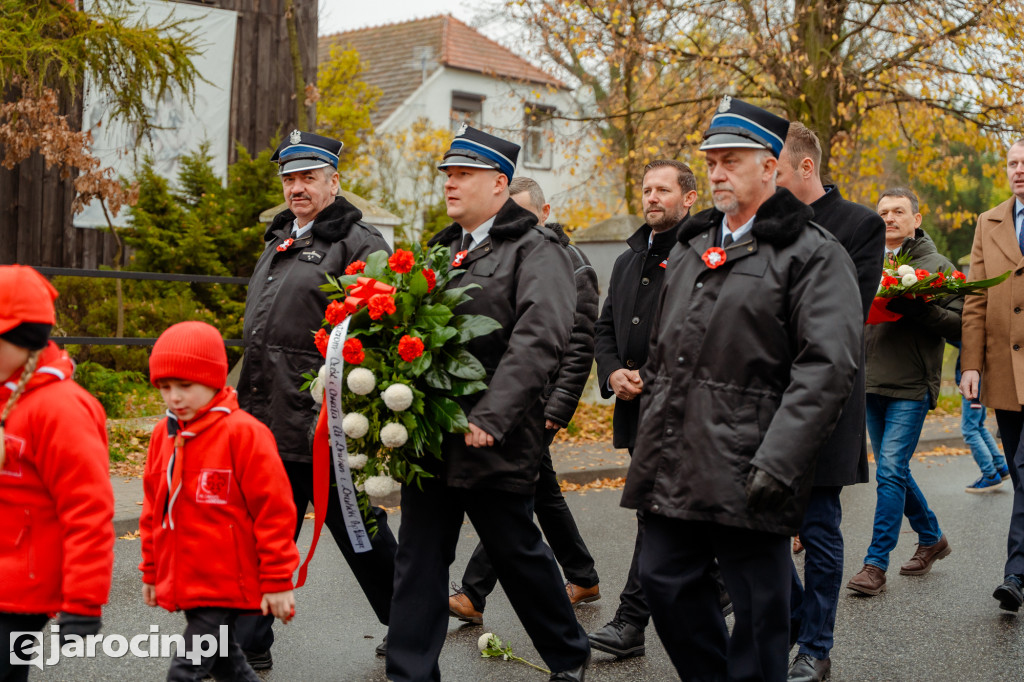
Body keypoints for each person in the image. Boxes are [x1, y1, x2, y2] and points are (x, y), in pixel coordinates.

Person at [620, 97, 862, 682]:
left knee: (759, 610)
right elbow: (665, 349)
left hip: (753, 462)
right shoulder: (690, 246)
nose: (719, 172)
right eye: (712, 162)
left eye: (733, 159)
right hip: (677, 454)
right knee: (663, 580)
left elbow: (827, 365)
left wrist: (780, 463)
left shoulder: (812, 252)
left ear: (771, 167)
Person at [386, 125, 591, 682]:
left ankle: (568, 657)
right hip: (433, 434)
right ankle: (409, 671)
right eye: (448, 175)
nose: (451, 184)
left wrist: (493, 417)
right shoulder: (441, 250)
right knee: (419, 560)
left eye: (464, 175)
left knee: (518, 554)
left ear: (499, 184)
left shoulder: (537, 249)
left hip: (494, 437)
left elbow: (541, 335)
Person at [235, 130, 396, 664]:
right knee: (264, 529)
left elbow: (377, 332)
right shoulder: (280, 238)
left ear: (334, 181)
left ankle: (410, 624)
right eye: (290, 178)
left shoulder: (358, 243)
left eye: (308, 177)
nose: (297, 187)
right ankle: (249, 646)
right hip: (264, 414)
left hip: (324, 419)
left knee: (359, 531)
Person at [448, 176, 601, 625]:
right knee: (539, 493)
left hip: (537, 404)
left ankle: (474, 593)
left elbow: (578, 342)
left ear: (545, 212)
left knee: (511, 500)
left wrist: (558, 407)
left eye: (521, 212)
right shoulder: (489, 253)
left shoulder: (569, 263)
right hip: (506, 401)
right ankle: (582, 574)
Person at [775, 122, 884, 682]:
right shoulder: (762, 223)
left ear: (805, 168)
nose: (765, 181)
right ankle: (793, 617)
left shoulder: (860, 225)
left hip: (825, 401)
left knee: (818, 527)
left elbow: (849, 307)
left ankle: (815, 647)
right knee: (762, 527)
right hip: (765, 400)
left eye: (775, 169)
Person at [140, 321, 300, 681]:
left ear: (213, 380)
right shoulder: (163, 435)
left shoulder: (244, 433)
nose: (174, 398)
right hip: (189, 578)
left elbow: (274, 512)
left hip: (226, 581)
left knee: (185, 671)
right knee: (229, 665)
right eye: (165, 387)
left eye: (185, 386)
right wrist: (151, 569)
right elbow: (154, 509)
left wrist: (276, 580)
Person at [588, 159, 703, 660]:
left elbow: (700, 334)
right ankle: (716, 588)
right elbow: (605, 328)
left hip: (681, 408)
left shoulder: (700, 254)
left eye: (663, 189)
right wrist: (613, 372)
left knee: (657, 515)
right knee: (666, 517)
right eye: (646, 188)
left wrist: (652, 378)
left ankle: (631, 621)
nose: (652, 197)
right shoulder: (627, 258)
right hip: (635, 408)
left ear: (689, 197)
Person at [0, 265, 114, 682]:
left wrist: (83, 602)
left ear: (23, 339)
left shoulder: (61, 409)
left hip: (20, 592)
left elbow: (88, 512)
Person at [846, 188, 961, 597]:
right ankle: (931, 537)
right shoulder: (864, 261)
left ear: (917, 217)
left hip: (911, 385)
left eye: (898, 211)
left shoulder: (936, 266)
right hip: (868, 381)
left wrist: (920, 307)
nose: (889, 218)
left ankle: (875, 564)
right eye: (882, 212)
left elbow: (961, 325)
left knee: (891, 470)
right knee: (894, 470)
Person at [961, 138, 1024, 611]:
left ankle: (1015, 575)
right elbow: (976, 301)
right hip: (1004, 373)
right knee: (1022, 479)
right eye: (1012, 163)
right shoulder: (989, 222)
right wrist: (971, 366)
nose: (1018, 170)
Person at [953, 347, 1008, 493]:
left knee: (970, 429)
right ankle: (1000, 467)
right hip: (980, 380)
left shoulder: (970, 327)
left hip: (974, 383)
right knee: (978, 426)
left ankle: (990, 475)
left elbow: (957, 335)